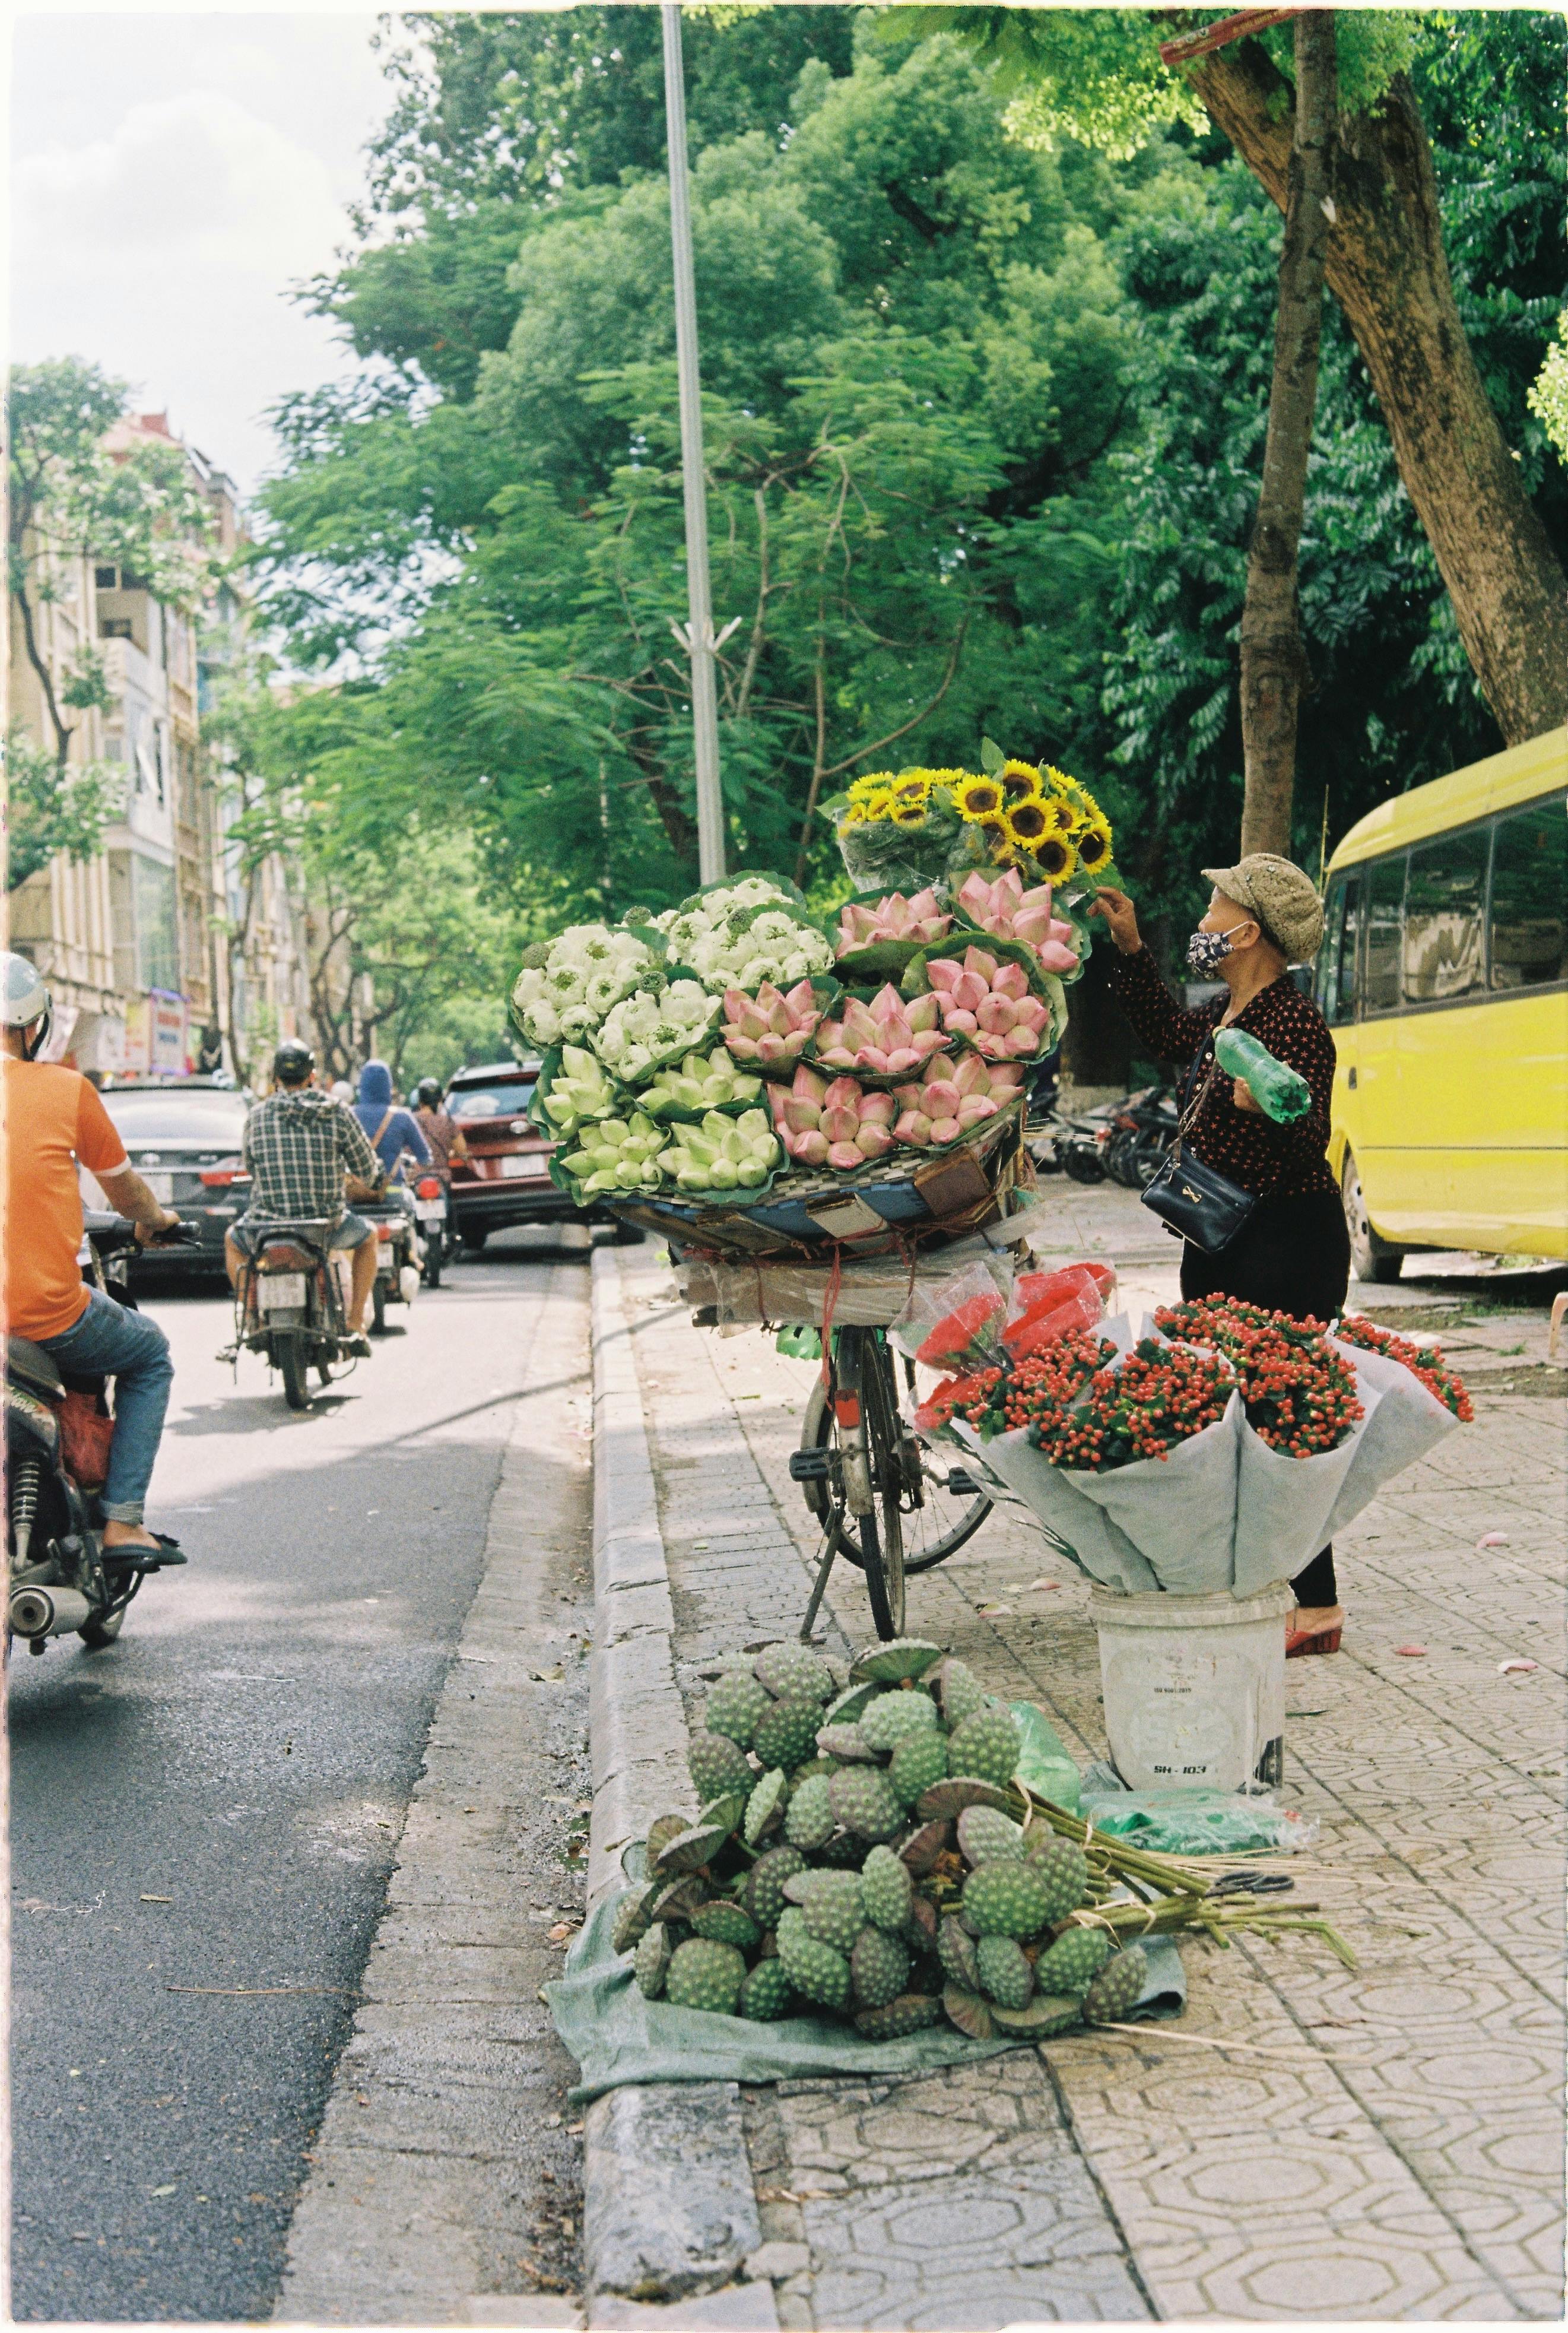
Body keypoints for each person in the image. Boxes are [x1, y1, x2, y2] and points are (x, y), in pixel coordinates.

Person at [1089, 855, 1350, 1658]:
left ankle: (1316, 1609)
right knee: (1236, 1415)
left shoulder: (1294, 1022)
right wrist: (1129, 947)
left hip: (1286, 1241)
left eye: (1214, 908)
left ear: (1250, 930)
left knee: (1282, 1415)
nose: (1202, 923)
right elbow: (1168, 1035)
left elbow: (1310, 1127)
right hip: (1220, 1238)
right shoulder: (1226, 1008)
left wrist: (1268, 1104)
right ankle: (1267, 1587)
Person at [0, 953, 183, 1562]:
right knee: (150, 1354)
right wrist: (154, 1223)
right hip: (45, 1316)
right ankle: (124, 1521)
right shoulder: (66, 1089)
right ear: (35, 1025)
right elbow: (125, 1190)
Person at [226, 1039, 385, 1349]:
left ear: (276, 1078)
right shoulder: (336, 1112)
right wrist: (373, 1177)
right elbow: (366, 1170)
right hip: (325, 1226)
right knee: (369, 1239)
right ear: (311, 1075)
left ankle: (253, 1317)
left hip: (266, 1227)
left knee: (232, 1242)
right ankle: (355, 1325)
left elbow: (252, 1166)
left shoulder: (257, 1116)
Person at [352, 1060, 430, 1180]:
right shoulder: (402, 1116)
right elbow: (425, 1159)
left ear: (363, 1084)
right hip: (394, 1189)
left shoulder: (348, 1114)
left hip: (356, 1192)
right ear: (388, 1085)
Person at [411, 1077, 469, 1174]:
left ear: (420, 1101)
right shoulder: (448, 1122)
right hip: (442, 1178)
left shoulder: (410, 1120)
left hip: (415, 1177)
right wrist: (449, 1153)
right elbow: (462, 1151)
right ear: (441, 1100)